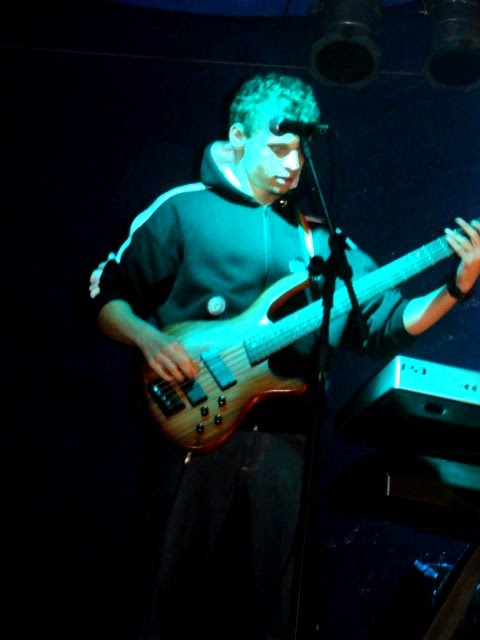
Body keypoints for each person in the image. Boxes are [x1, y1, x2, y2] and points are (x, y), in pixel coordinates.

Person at [88, 72, 480, 640]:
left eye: (301, 150)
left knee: (278, 613)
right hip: (194, 431)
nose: (293, 164)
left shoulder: (319, 241)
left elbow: (385, 327)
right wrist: (149, 339)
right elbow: (105, 291)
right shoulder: (185, 209)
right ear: (238, 137)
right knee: (162, 603)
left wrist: (456, 288)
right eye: (278, 148)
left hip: (287, 445)